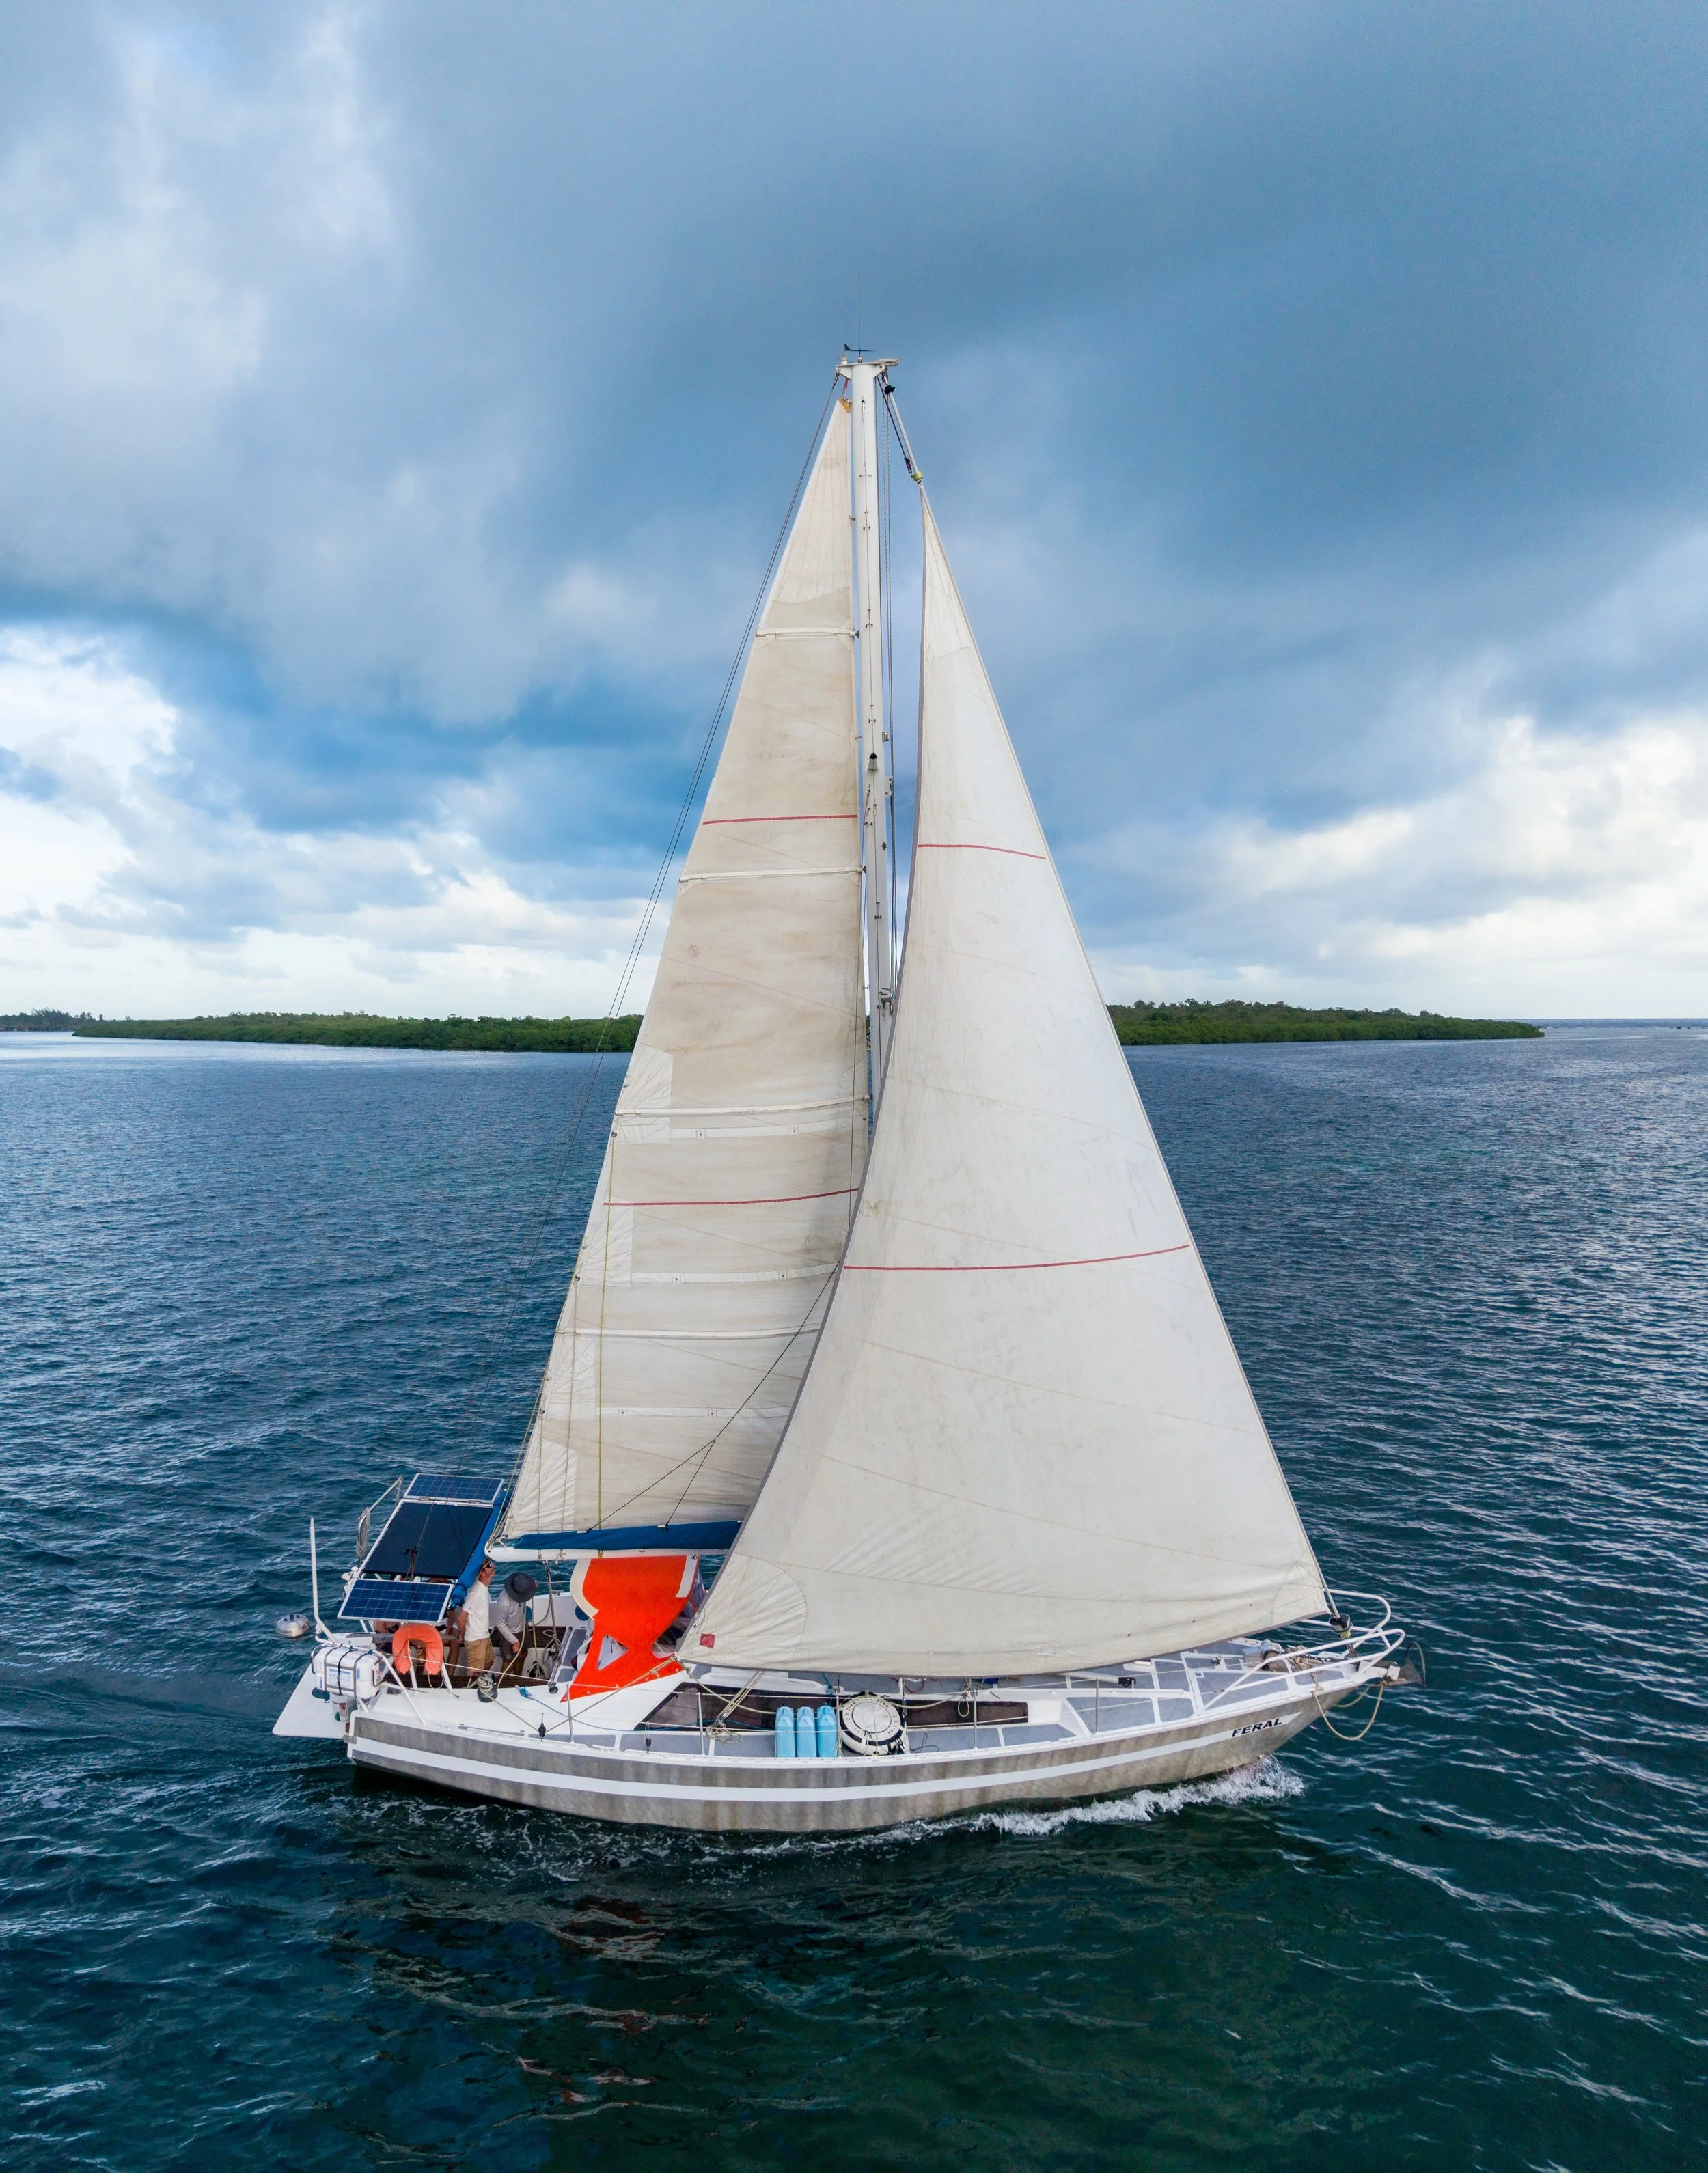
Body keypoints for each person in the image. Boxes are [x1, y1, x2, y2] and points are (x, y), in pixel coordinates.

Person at [453, 1560, 496, 1676]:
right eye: (489, 1566)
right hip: (476, 1639)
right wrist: (463, 1634)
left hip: (484, 1636)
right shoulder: (476, 1593)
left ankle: (480, 1682)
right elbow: (462, 1617)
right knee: (474, 1672)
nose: (493, 1567)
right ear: (482, 1573)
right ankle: (471, 1689)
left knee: (490, 1660)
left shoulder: (484, 1587)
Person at [491, 1571, 536, 1679]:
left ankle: (518, 1679)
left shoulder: (523, 1590)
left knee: (523, 1653)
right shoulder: (504, 1602)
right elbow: (500, 1624)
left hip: (521, 1628)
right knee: (509, 1660)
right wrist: (513, 1640)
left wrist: (532, 1588)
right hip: (508, 1632)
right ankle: (502, 1683)